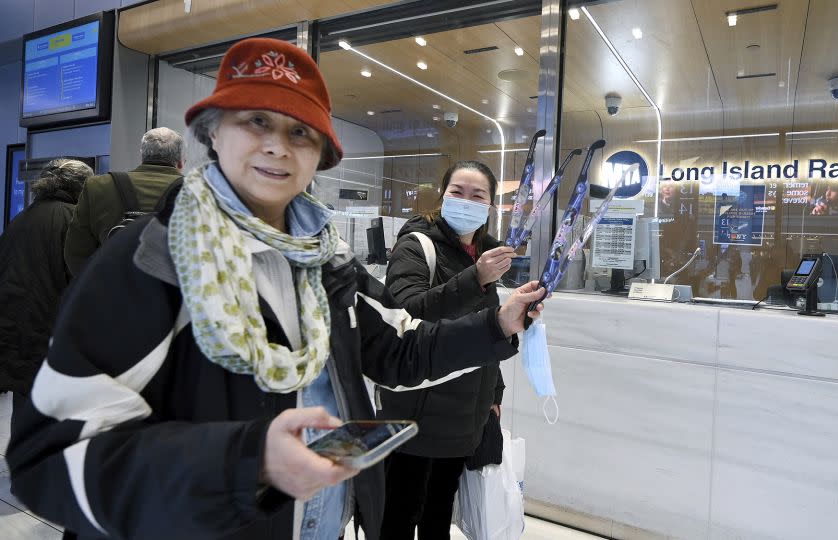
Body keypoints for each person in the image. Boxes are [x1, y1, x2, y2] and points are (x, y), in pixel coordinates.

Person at [6, 37, 544, 540]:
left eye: (299, 132)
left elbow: (399, 352)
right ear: (213, 133)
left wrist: (496, 324)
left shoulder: (325, 265)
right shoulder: (151, 261)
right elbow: (48, 457)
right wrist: (249, 460)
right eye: (255, 121)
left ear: (317, 157)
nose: (277, 147)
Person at [378, 160, 516, 539]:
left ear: (490, 205)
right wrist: (477, 278)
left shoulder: (485, 252)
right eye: (457, 192)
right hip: (417, 409)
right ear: (443, 195)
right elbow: (407, 315)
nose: (466, 201)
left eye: (478, 195)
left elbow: (484, 325)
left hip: (465, 413)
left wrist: (495, 391)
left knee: (440, 514)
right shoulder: (416, 245)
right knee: (400, 514)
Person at [0, 159, 94, 413]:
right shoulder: (74, 220)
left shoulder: (20, 220)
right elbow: (83, 280)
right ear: (81, 188)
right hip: (52, 331)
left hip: (16, 327)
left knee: (24, 404)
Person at [64, 126, 184, 275]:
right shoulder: (199, 191)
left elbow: (76, 252)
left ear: (142, 157)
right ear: (180, 162)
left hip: (112, 290)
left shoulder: (97, 186)